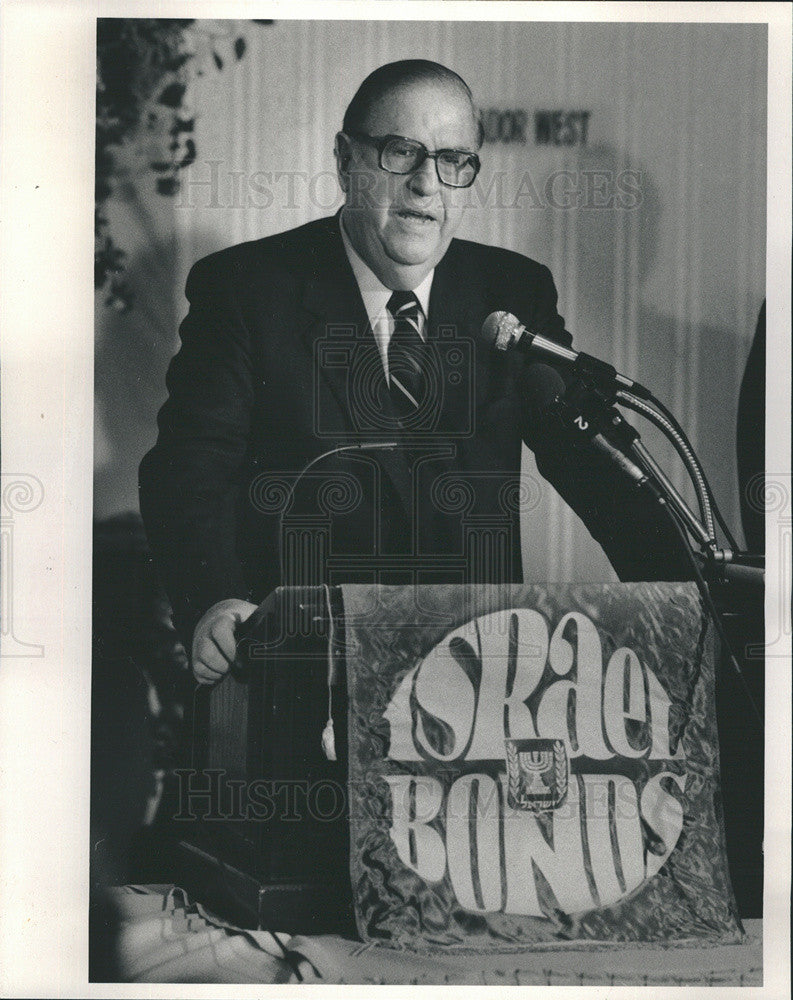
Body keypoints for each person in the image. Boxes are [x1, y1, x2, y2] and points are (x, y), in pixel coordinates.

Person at [139, 60, 689, 686]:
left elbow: (594, 465)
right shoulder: (246, 289)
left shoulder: (510, 294)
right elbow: (186, 472)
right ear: (346, 161)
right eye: (402, 152)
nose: (428, 183)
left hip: (474, 690)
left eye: (454, 160)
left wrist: (692, 597)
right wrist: (214, 599)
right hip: (299, 681)